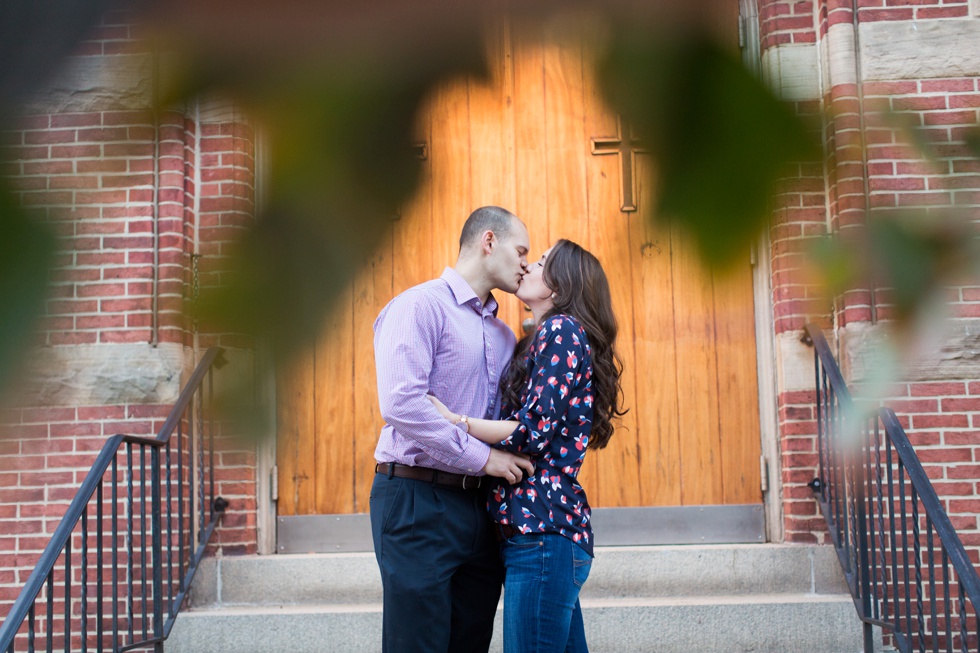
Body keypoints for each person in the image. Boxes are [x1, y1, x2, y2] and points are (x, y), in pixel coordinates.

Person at [428, 238, 626, 653]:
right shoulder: (547, 336)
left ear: (559, 284)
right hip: (545, 538)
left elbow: (532, 431)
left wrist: (455, 421)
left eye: (539, 263)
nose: (526, 268)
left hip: (542, 535)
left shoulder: (559, 329)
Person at [371, 205, 537, 653]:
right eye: (521, 250)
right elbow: (402, 405)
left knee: (470, 642)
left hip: (480, 507)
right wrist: (485, 458)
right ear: (488, 241)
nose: (526, 262)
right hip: (415, 500)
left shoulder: (504, 337)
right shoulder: (418, 306)